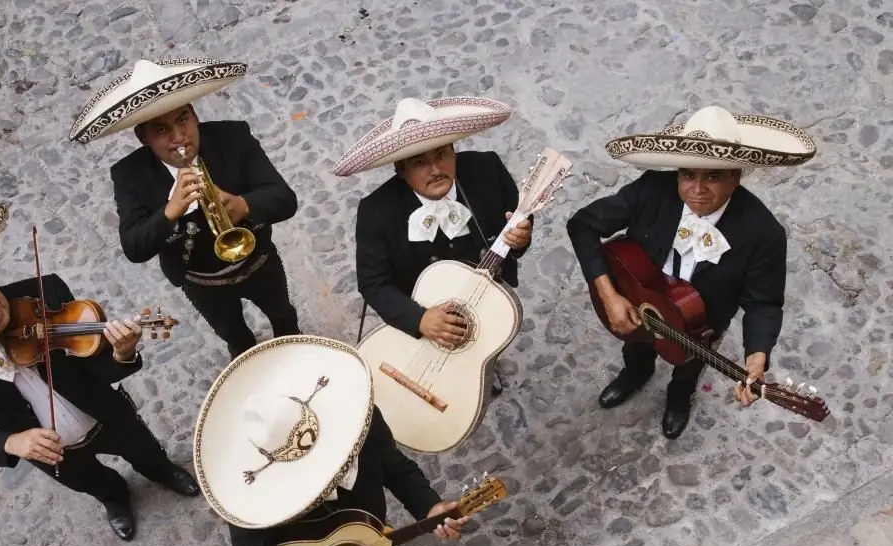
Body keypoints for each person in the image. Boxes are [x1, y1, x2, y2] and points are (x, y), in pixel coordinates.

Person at [0, 205, 201, 541]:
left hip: (106, 413)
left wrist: (122, 352)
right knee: (89, 481)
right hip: (53, 450)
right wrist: (12, 441)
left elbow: (94, 366)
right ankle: (115, 497)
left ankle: (161, 471)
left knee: (144, 450)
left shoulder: (44, 294)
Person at [191, 335, 467, 546]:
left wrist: (430, 506)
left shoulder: (364, 418)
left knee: (376, 533)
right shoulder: (242, 495)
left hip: (369, 517)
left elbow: (397, 470)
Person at [566, 105, 816, 438]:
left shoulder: (763, 233)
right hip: (639, 300)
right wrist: (608, 295)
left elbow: (763, 303)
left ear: (736, 176)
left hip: (700, 324)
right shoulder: (653, 189)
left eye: (712, 176)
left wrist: (756, 359)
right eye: (688, 174)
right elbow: (582, 225)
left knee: (688, 365)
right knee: (636, 345)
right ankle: (636, 374)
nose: (696, 189)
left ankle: (679, 397)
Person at [70, 58, 301, 360]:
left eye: (183, 120)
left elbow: (285, 199)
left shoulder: (233, 137)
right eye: (162, 129)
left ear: (194, 115)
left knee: (284, 316)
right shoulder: (130, 175)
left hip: (259, 263)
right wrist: (170, 212)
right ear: (144, 139)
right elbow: (133, 247)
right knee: (234, 336)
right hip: (203, 284)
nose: (179, 137)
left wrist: (243, 205)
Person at [336, 97, 534, 394]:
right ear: (400, 171)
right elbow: (373, 283)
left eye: (442, 154)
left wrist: (522, 238)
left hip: (485, 292)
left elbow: (516, 223)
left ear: (454, 151)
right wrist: (420, 319)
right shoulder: (375, 211)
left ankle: (483, 368)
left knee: (485, 340)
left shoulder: (488, 168)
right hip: (422, 305)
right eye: (419, 162)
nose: (435, 169)